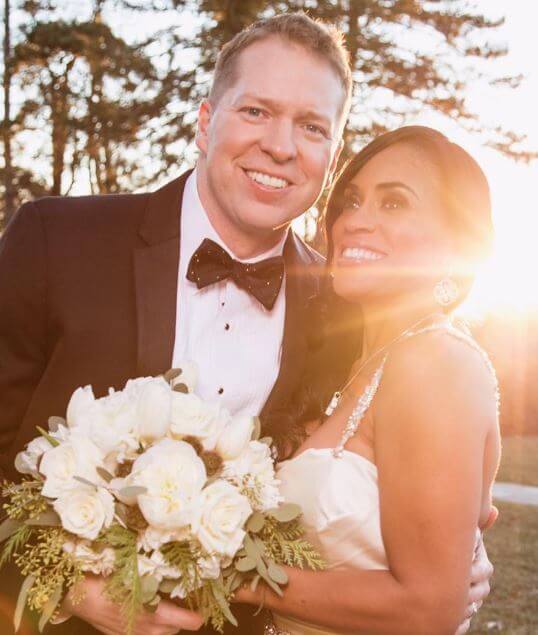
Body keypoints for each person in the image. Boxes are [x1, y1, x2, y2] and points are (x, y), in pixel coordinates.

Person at [0, 12, 492, 635]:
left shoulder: (346, 311)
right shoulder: (56, 242)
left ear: (332, 155)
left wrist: (458, 563)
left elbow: (409, 487)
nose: (281, 147)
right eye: (257, 111)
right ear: (206, 123)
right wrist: (64, 586)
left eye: (311, 126)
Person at [234, 126, 501, 635]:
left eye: (394, 204)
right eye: (351, 202)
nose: (355, 221)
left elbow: (426, 609)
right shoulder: (347, 365)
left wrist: (229, 574)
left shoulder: (438, 363)